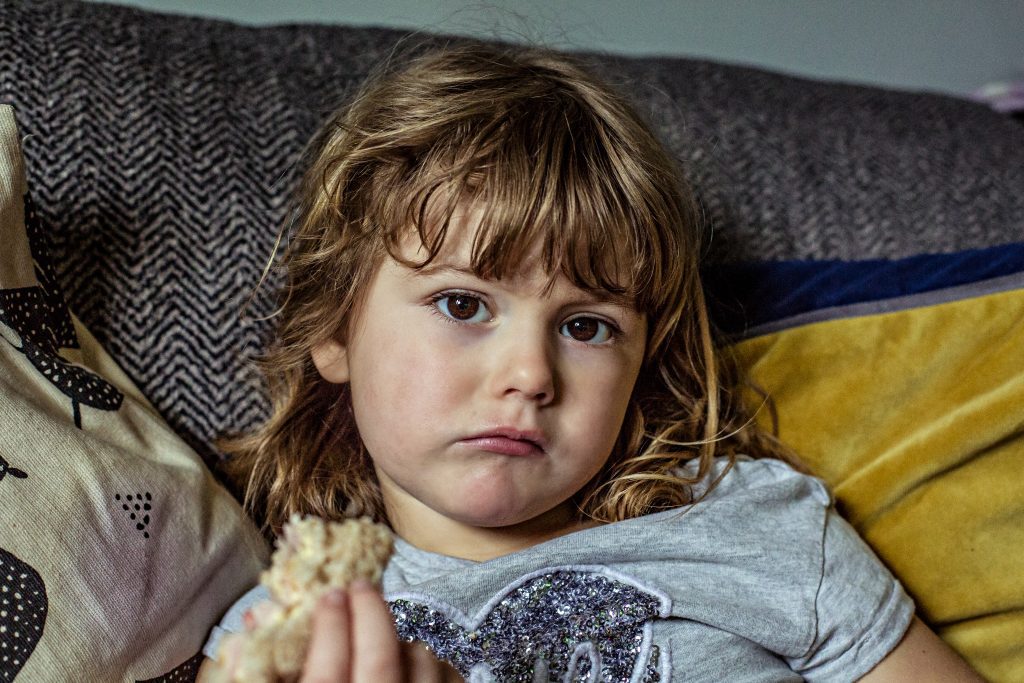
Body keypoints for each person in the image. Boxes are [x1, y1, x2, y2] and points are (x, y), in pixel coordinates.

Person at [198, 43, 981, 682]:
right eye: (464, 304)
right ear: (333, 328)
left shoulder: (746, 528)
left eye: (585, 325)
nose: (531, 373)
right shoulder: (284, 635)